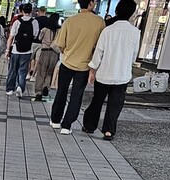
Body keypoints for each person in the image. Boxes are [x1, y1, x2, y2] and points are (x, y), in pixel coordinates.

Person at [81, 0, 140, 140]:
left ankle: (90, 126)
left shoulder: (108, 30)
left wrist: (92, 69)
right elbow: (134, 55)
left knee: (97, 101)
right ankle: (108, 131)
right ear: (132, 14)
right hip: (122, 75)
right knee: (115, 104)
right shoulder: (135, 32)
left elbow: (99, 52)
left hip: (104, 74)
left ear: (117, 11)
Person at [49, 0, 104, 134]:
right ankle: (67, 125)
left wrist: (68, 52)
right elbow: (100, 45)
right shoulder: (99, 22)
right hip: (85, 65)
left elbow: (60, 44)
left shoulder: (70, 21)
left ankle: (55, 120)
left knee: (61, 92)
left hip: (67, 63)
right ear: (90, 3)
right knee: (76, 96)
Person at [4, 3, 39, 97]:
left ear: (22, 11)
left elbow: (11, 37)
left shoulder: (17, 22)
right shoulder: (34, 22)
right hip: (28, 50)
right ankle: (20, 87)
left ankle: (10, 89)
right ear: (31, 10)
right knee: (23, 70)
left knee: (13, 70)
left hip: (16, 50)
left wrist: (7, 50)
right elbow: (35, 35)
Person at [33, 13, 61, 101]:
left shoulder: (44, 29)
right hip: (54, 53)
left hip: (45, 52)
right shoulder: (59, 31)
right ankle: (46, 86)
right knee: (49, 72)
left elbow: (39, 38)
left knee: (41, 72)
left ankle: (38, 91)